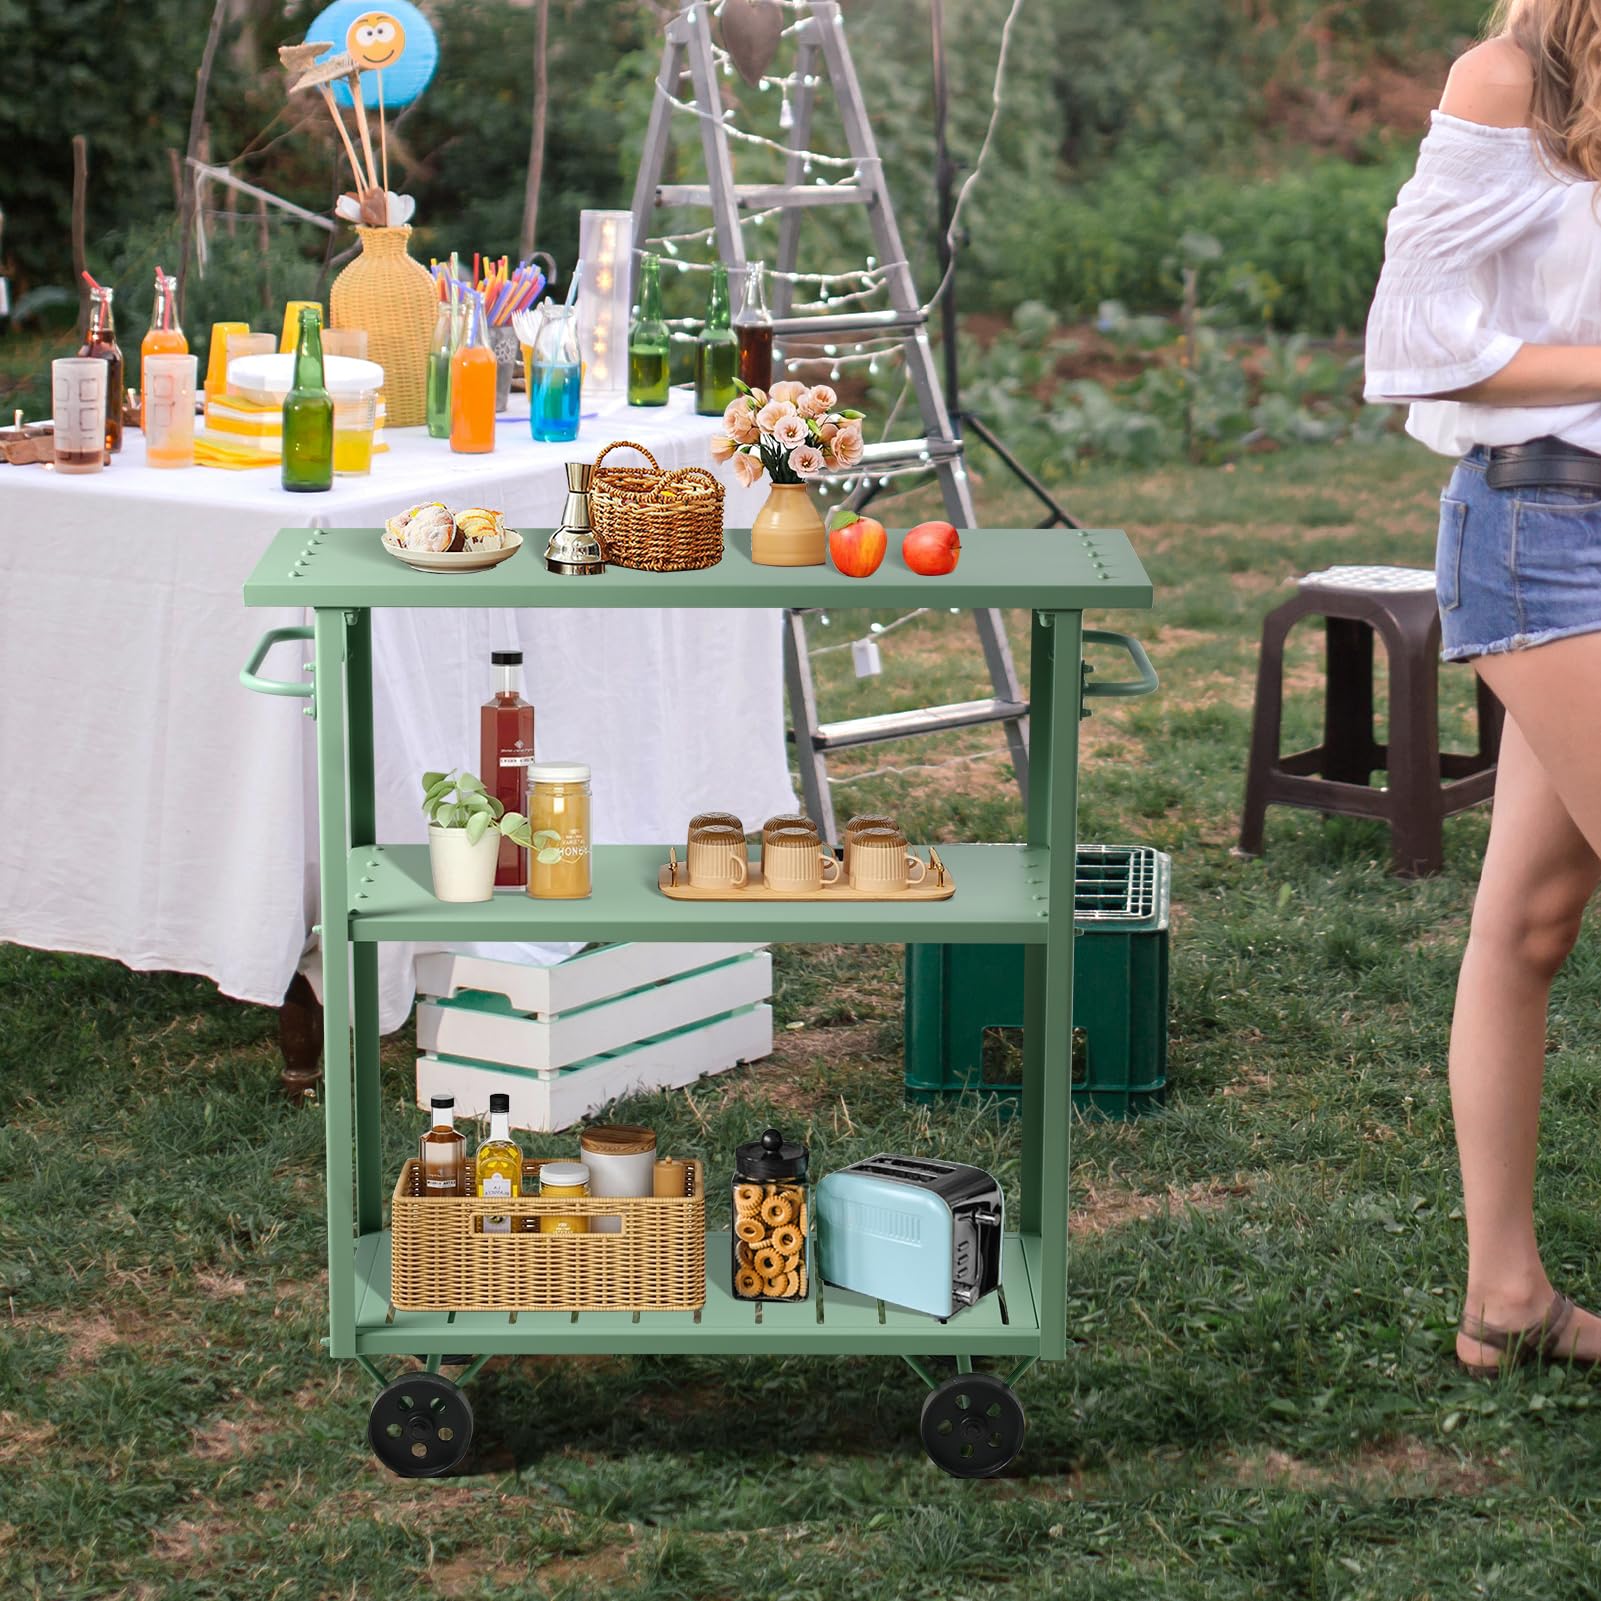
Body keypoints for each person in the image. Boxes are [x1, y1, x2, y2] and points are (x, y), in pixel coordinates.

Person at [1365, 0, 1601, 1374]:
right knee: (1526, 922)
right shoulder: (1509, 77)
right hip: (1548, 535)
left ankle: (1505, 1300)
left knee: (1530, 923)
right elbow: (1419, 341)